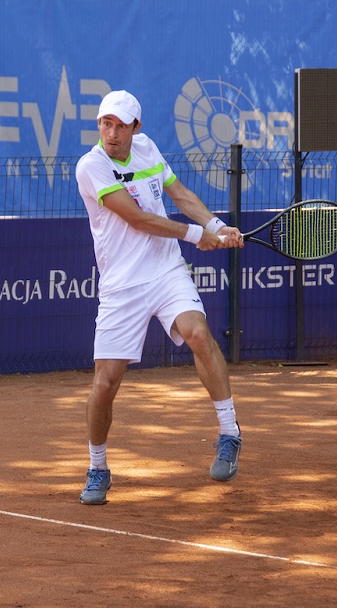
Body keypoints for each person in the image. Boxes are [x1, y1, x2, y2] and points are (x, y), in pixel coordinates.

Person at [74, 90, 245, 506]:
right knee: (105, 383)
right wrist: (195, 235)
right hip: (122, 285)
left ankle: (229, 433)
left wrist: (218, 226)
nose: (111, 134)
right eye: (104, 124)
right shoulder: (91, 166)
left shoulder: (147, 149)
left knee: (199, 335)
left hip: (166, 271)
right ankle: (98, 467)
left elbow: (180, 196)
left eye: (120, 126)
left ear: (137, 128)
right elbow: (136, 217)